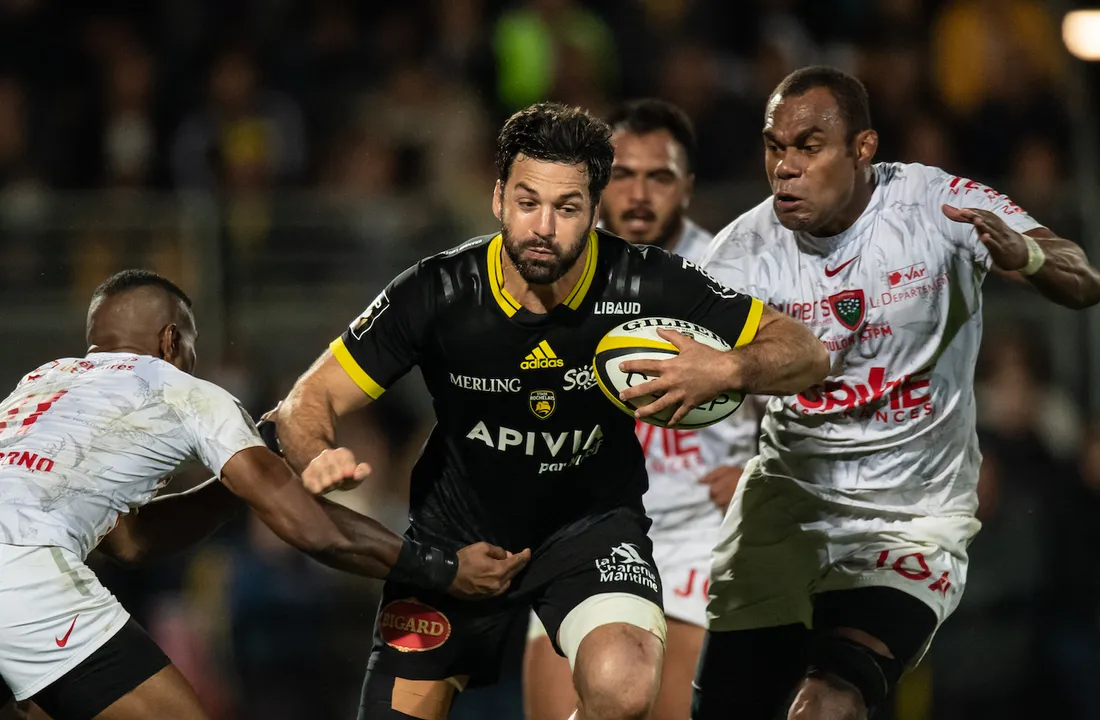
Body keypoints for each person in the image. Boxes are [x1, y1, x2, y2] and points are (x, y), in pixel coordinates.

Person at [271, 101, 829, 720]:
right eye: (527, 201)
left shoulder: (645, 281)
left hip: (588, 529)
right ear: (497, 199)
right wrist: (318, 456)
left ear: (595, 211)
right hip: (455, 542)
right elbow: (305, 402)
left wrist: (729, 368)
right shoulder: (437, 292)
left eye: (566, 208)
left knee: (624, 688)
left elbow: (806, 353)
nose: (543, 226)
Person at [683, 66, 1100, 720]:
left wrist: (1032, 258)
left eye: (809, 145)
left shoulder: (937, 208)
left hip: (909, 519)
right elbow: (702, 379)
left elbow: (1084, 278)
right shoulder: (739, 256)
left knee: (827, 702)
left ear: (863, 148)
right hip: (786, 510)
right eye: (774, 146)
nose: (784, 167)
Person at [0, 270, 527, 720]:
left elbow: (131, 541)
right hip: (23, 574)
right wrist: (443, 570)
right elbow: (313, 531)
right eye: (192, 343)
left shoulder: (36, 386)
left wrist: (240, 482)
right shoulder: (184, 390)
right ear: (169, 341)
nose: (192, 357)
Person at [522, 98, 761, 720]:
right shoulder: (552, 273)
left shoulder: (733, 273)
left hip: (697, 532)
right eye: (622, 174)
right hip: (581, 525)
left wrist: (762, 472)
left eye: (659, 177)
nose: (638, 194)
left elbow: (806, 386)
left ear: (687, 185)